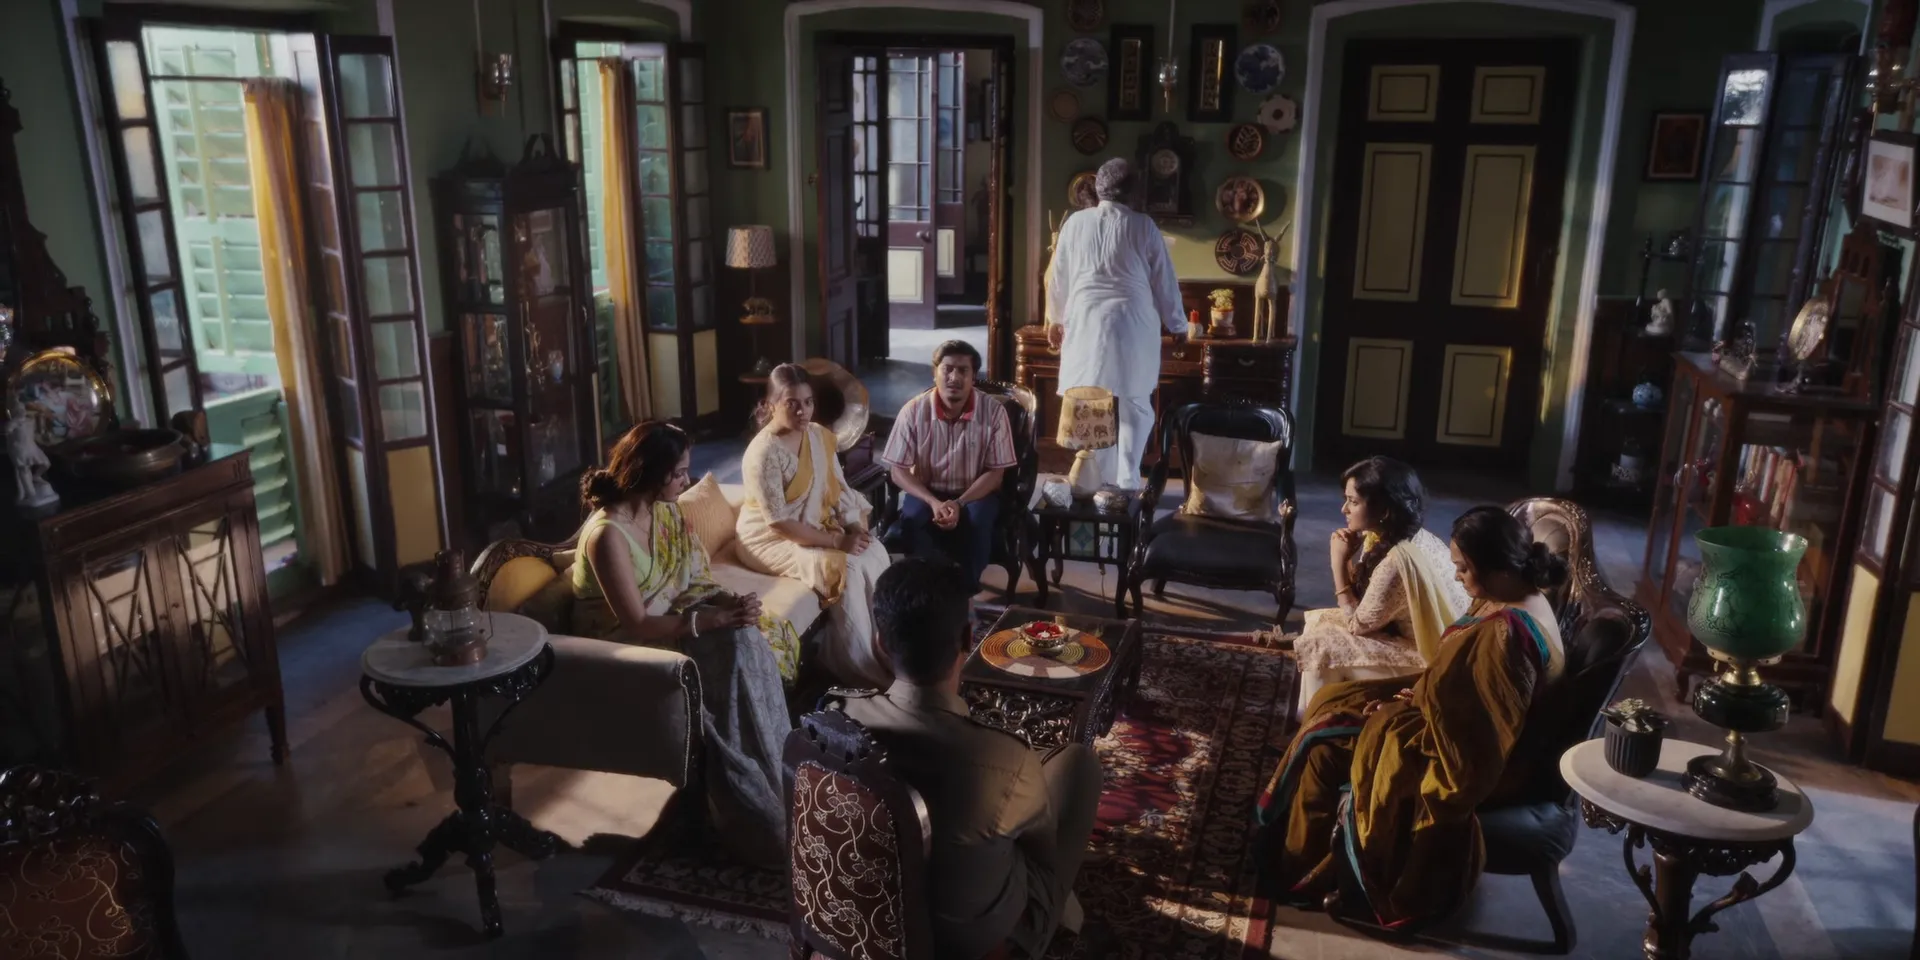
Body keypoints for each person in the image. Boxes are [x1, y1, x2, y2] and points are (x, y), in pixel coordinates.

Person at [1253, 506, 1568, 931]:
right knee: (1333, 700)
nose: (1457, 576)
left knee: (1327, 748)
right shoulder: (1518, 594)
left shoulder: (1505, 633)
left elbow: (1475, 743)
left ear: (1497, 568)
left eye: (1463, 568)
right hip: (1449, 720)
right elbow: (1464, 692)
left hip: (1477, 761)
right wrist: (1413, 697)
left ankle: (1308, 873)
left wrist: (1394, 716)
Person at [835, 557, 1103, 960]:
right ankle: (1054, 923)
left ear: (880, 643)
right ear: (967, 637)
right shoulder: (1002, 758)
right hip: (969, 946)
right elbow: (1039, 849)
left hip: (864, 924)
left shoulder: (834, 720)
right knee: (1078, 766)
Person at [569, 421, 792, 867]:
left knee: (746, 639)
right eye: (678, 473)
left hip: (672, 618)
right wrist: (712, 619)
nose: (686, 481)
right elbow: (636, 622)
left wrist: (730, 605)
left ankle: (781, 782)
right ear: (648, 473)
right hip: (622, 647)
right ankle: (754, 812)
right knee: (733, 651)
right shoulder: (607, 536)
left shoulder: (664, 511)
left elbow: (690, 577)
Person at [736, 363, 893, 689]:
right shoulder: (762, 453)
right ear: (770, 404)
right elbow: (779, 522)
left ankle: (886, 650)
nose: (802, 411)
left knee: (874, 551)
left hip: (810, 526)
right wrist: (836, 543)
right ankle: (857, 666)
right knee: (845, 569)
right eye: (791, 403)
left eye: (807, 402)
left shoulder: (818, 436)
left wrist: (853, 526)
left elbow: (838, 489)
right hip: (768, 538)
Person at [1044, 157, 1189, 491]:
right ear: (1133, 192)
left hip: (1086, 322)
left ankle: (1097, 478)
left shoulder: (1075, 223)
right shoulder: (1143, 225)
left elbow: (1058, 277)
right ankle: (1127, 478)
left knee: (1092, 399)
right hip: (1131, 324)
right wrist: (1178, 324)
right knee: (1135, 401)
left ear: (1098, 189)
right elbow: (1164, 280)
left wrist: (1054, 319)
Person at [1288, 457, 1470, 714]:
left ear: (1384, 511)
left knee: (1321, 644)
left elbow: (1357, 624)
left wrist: (1339, 563)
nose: (1344, 509)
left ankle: (1319, 722)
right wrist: (1350, 560)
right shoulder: (1405, 535)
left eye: (1353, 502)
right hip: (1421, 641)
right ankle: (1311, 717)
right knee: (1317, 624)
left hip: (1429, 662)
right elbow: (1366, 602)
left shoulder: (1397, 560)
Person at [881, 339, 1018, 591]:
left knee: (978, 521)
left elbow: (995, 473)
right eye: (947, 369)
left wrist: (960, 503)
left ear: (974, 377)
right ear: (935, 373)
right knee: (914, 519)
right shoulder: (913, 411)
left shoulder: (994, 412)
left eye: (963, 370)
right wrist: (934, 502)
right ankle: (928, 589)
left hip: (976, 493)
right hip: (927, 491)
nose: (954, 377)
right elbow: (898, 470)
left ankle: (965, 592)